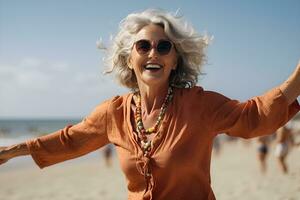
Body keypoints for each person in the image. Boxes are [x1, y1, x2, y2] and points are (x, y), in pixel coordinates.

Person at [0, 9, 300, 200]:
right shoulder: (113, 113)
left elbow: (253, 115)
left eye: (164, 47)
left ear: (174, 61)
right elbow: (70, 141)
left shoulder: (200, 105)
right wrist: (12, 151)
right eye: (143, 46)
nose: (153, 53)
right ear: (130, 59)